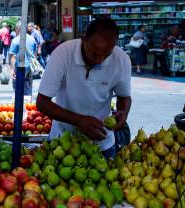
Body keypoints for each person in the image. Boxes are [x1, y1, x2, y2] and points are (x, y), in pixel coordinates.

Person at [36, 18, 132, 159]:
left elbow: (124, 97)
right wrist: (79, 121)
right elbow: (42, 102)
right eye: (94, 53)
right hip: (62, 144)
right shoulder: (63, 54)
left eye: (106, 55)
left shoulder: (121, 60)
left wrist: (123, 113)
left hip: (102, 144)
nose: (99, 60)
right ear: (84, 39)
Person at [9, 21, 37, 96]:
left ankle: (20, 106)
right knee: (28, 89)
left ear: (18, 29)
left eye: (15, 29)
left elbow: (13, 56)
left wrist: (12, 70)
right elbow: (34, 54)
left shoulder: (15, 40)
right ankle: (28, 105)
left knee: (18, 90)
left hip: (19, 68)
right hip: (29, 68)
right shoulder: (32, 39)